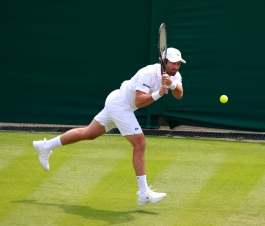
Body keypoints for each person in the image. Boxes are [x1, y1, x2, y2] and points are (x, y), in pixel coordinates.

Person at [33, 47, 186, 206]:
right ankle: (143, 193)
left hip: (119, 104)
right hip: (120, 105)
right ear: (164, 61)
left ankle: (45, 146)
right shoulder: (147, 73)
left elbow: (179, 94)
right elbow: (138, 101)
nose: (176, 67)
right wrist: (159, 94)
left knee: (88, 133)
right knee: (140, 143)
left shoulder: (175, 75)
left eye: (178, 64)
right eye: (173, 63)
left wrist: (172, 85)